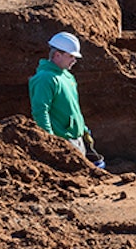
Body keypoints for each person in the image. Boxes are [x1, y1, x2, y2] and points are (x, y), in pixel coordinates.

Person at [29, 31, 96, 160]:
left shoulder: (67, 76)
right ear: (57, 55)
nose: (74, 60)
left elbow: (72, 107)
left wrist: (83, 128)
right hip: (63, 141)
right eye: (71, 56)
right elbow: (40, 111)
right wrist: (51, 140)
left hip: (76, 138)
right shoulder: (45, 78)